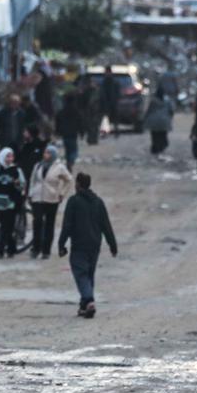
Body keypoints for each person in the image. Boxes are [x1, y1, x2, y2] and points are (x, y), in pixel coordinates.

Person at [58, 172, 117, 318]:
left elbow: (67, 225)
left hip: (79, 245)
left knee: (81, 274)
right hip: (95, 245)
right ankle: (84, 305)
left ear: (77, 184)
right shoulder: (98, 202)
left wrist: (61, 244)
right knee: (89, 274)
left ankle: (89, 300)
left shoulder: (74, 201)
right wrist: (112, 245)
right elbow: (106, 225)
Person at [28, 145, 73, 259]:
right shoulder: (38, 165)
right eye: (45, 152)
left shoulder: (59, 167)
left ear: (53, 154)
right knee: (37, 222)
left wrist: (61, 193)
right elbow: (32, 180)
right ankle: (36, 248)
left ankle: (46, 250)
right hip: (37, 198)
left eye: (48, 153)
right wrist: (30, 193)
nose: (45, 155)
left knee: (49, 224)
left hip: (52, 199)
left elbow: (69, 180)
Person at [0, 148, 26, 259]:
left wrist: (17, 183)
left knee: (5, 227)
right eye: (7, 156)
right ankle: (12, 248)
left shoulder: (16, 170)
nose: (10, 159)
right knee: (7, 227)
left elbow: (22, 186)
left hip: (11, 204)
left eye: (11, 156)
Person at [143, 88, 174, 155]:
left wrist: (144, 119)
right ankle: (162, 146)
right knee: (163, 135)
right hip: (164, 121)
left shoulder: (153, 101)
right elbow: (171, 111)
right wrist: (169, 118)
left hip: (154, 121)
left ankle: (155, 147)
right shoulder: (167, 101)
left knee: (155, 135)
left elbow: (149, 111)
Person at [55, 93, 82, 168]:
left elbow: (57, 121)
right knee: (74, 151)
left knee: (67, 150)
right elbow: (80, 122)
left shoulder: (62, 111)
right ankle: (70, 161)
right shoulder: (76, 111)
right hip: (73, 134)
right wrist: (82, 132)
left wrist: (57, 132)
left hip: (64, 134)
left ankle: (68, 162)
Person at [100, 66, 121, 138]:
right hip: (105, 103)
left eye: (108, 72)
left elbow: (118, 92)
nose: (107, 73)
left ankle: (116, 132)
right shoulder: (104, 82)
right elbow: (101, 93)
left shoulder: (114, 81)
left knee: (115, 119)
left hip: (113, 102)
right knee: (105, 119)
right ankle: (105, 132)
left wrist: (116, 100)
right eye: (106, 72)